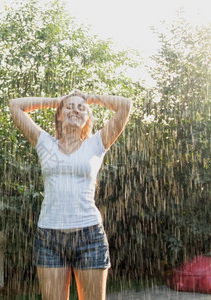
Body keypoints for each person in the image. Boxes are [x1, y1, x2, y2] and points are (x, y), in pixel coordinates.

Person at [9, 90, 132, 300]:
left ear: (87, 119)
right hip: (49, 238)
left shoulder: (96, 144)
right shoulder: (44, 143)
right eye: (69, 107)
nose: (75, 109)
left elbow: (125, 105)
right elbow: (15, 105)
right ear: (59, 115)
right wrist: (57, 101)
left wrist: (91, 98)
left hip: (89, 237)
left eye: (81, 108)